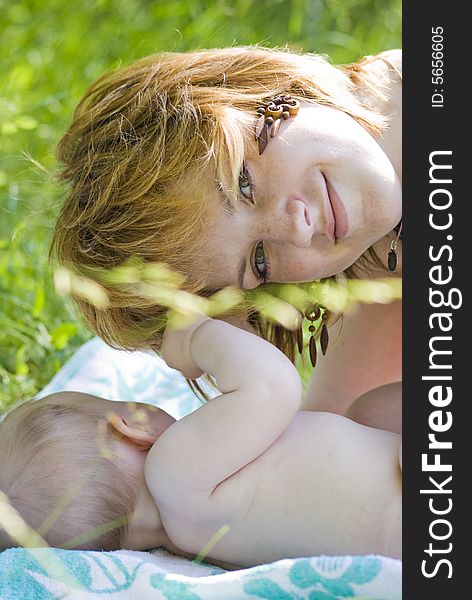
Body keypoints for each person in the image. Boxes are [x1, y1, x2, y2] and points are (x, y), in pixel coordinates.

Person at [51, 45, 402, 420]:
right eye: (260, 260)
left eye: (244, 184)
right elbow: (328, 426)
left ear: (263, 88)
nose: (297, 229)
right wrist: (213, 339)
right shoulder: (379, 257)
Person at [0, 317, 401, 567]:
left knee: (370, 413)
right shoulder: (172, 468)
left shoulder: (194, 545)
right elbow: (272, 385)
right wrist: (195, 336)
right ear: (132, 428)